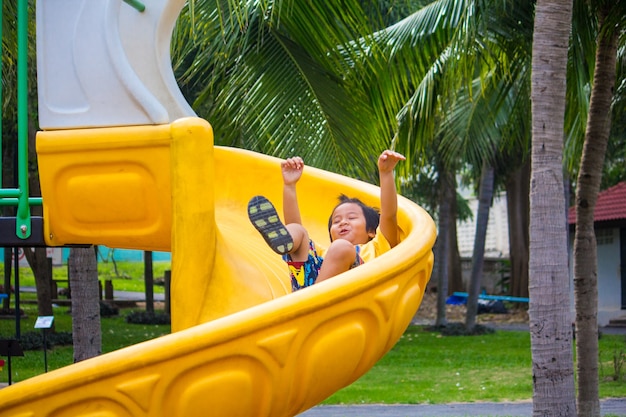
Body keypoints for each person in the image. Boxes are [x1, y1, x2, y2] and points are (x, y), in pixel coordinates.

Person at [247, 150, 405, 291]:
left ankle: (313, 300)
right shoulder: (324, 253)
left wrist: (385, 173)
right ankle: (283, 240)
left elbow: (389, 215)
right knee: (299, 232)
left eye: (351, 217)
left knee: (342, 248)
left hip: (355, 291)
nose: (342, 222)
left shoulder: (378, 247)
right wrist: (289, 185)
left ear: (371, 231)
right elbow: (295, 225)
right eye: (336, 221)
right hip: (306, 289)